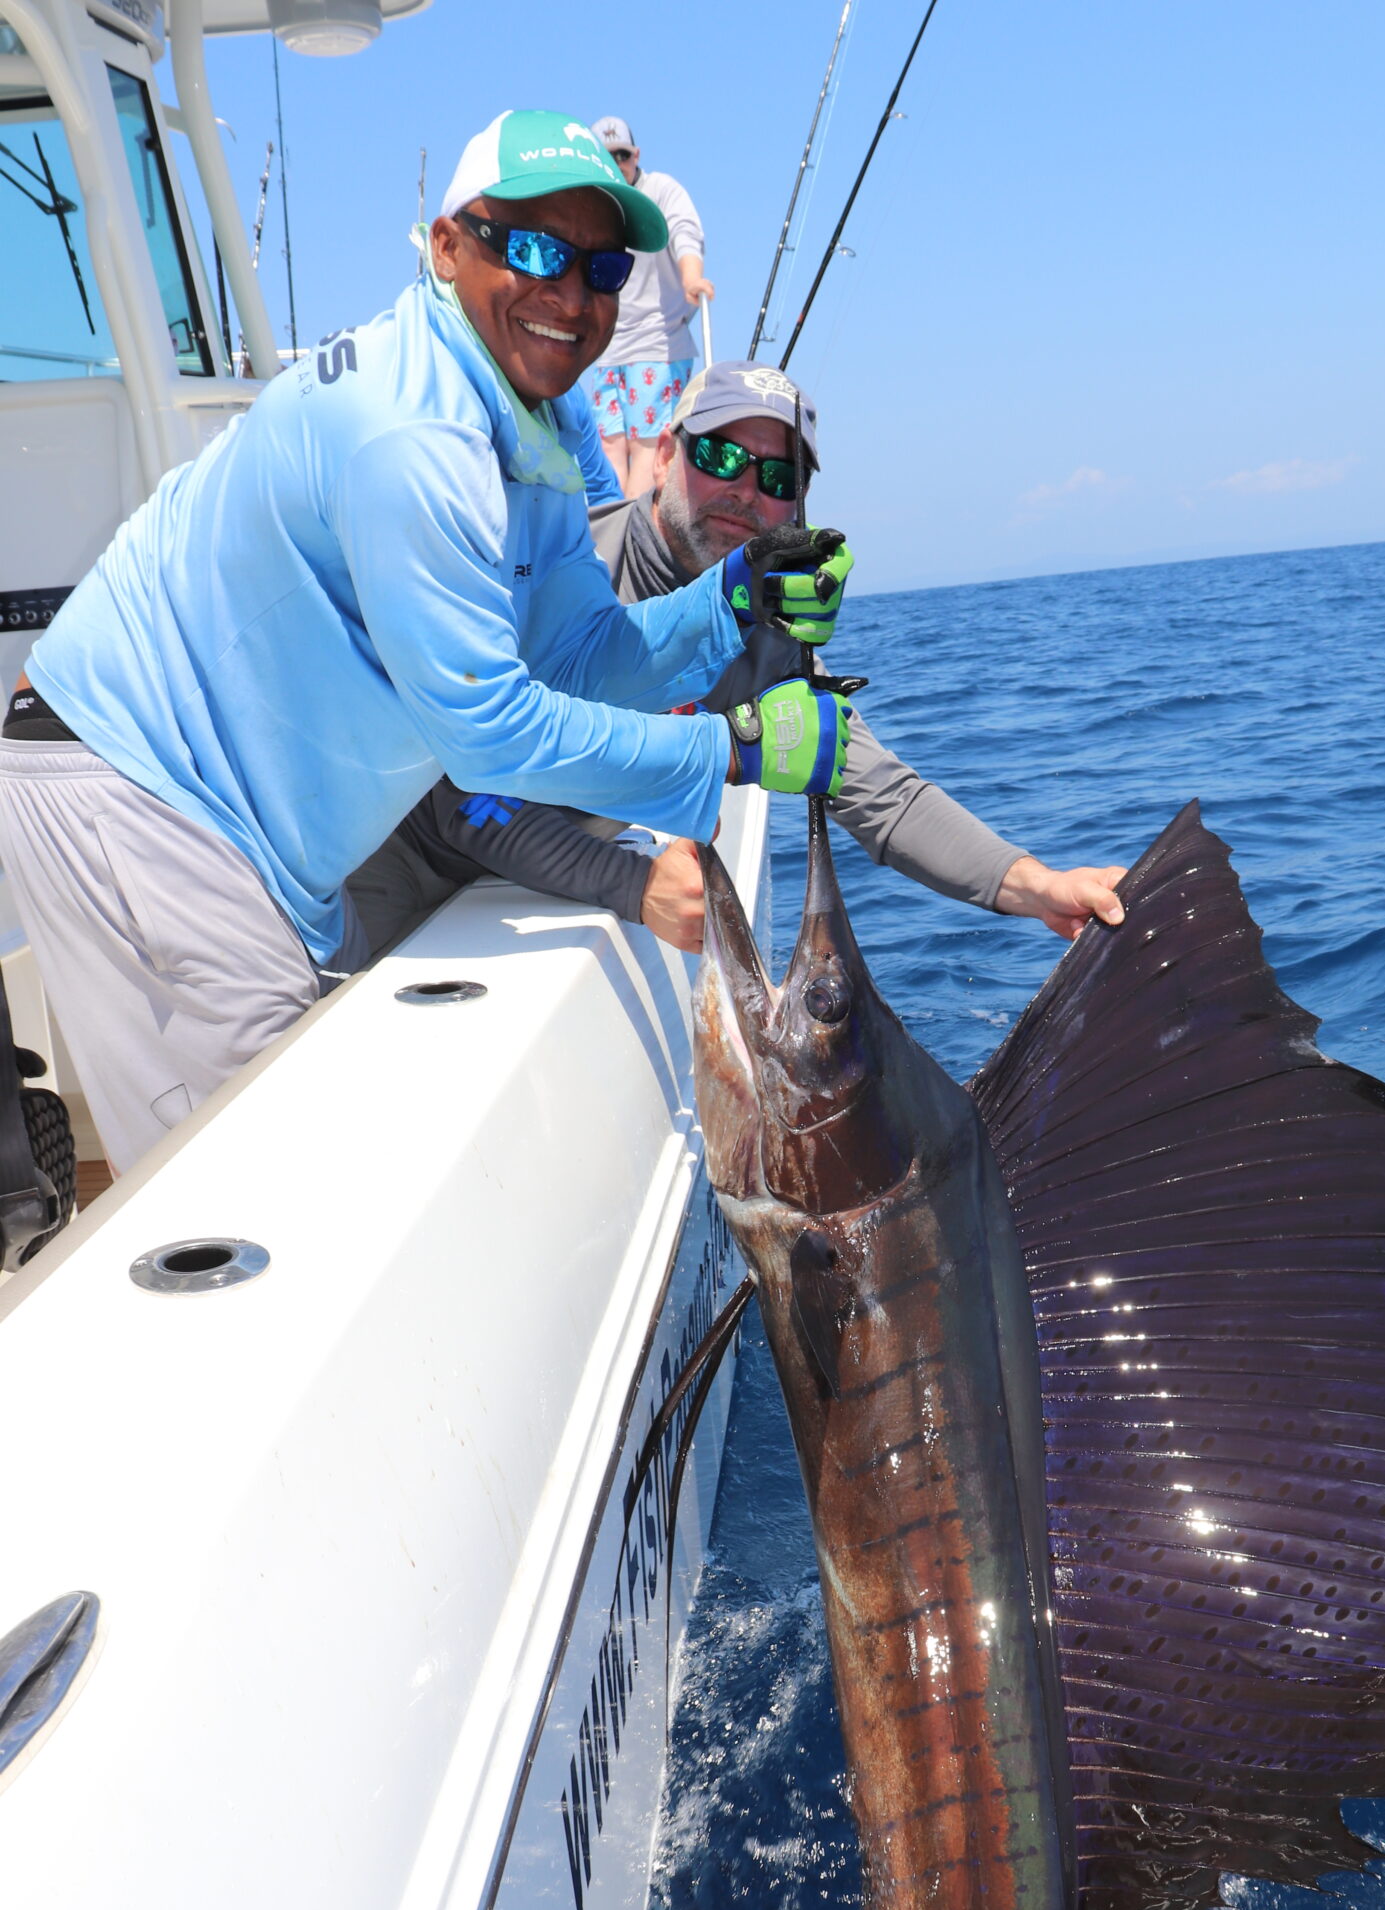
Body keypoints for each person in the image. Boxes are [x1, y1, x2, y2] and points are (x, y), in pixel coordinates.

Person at [0, 117, 853, 1172]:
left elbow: (581, 652)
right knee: (260, 1190)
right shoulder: (414, 431)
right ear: (448, 246)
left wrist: (731, 597)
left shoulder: (536, 420)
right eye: (532, 250)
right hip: (139, 793)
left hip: (257, 837)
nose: (571, 296)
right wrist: (732, 751)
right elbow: (489, 733)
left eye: (600, 266)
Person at [348, 363, 1126, 959]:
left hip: (536, 883)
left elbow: (873, 786)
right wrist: (634, 885)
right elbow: (468, 795)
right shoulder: (570, 561)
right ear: (663, 454)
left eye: (778, 476)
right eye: (719, 454)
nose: (744, 489)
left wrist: (1038, 886)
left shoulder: (770, 625)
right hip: (395, 857)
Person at [586, 116, 712, 499]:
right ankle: (607, 542)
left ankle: (625, 540)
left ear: (636, 155)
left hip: (658, 346)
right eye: (607, 159)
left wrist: (692, 279)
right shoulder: (592, 204)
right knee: (608, 448)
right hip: (607, 349)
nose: (617, 165)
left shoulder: (661, 189)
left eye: (622, 156)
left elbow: (685, 232)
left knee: (645, 449)